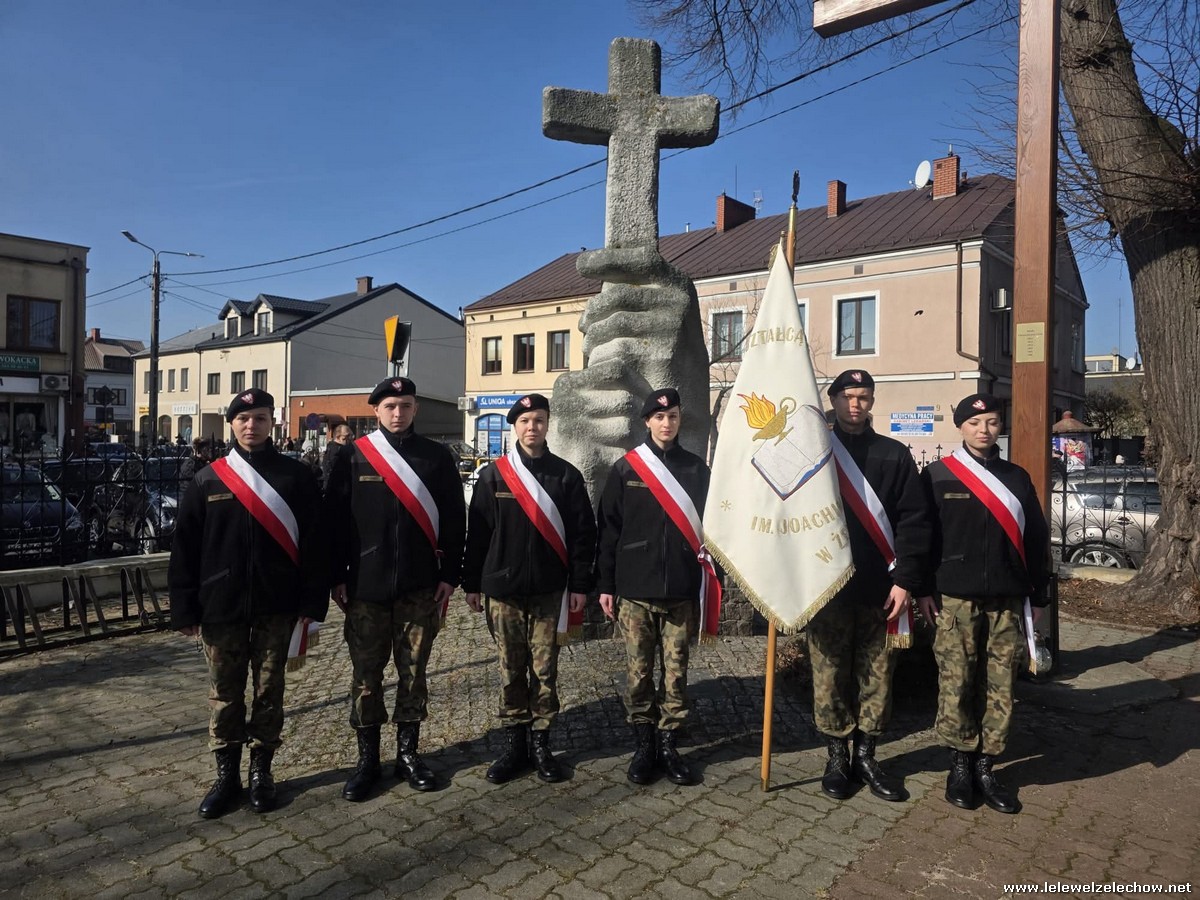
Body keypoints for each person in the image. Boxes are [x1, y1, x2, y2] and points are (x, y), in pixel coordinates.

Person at [168, 388, 328, 819]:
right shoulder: (208, 479)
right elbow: (185, 548)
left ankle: (262, 771)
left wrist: (313, 601)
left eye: (259, 417)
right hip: (221, 607)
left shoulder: (295, 477)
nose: (251, 425)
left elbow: (316, 545)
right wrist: (183, 607)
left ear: (270, 422)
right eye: (243, 418)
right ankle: (227, 776)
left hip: (279, 606)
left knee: (269, 692)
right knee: (225, 694)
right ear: (231, 423)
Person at [326, 378, 465, 802]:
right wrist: (336, 576)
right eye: (390, 405)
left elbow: (455, 519)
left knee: (414, 674)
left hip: (419, 588)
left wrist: (450, 575)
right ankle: (367, 761)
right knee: (366, 678)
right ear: (376, 410)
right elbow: (332, 521)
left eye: (405, 405)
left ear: (415, 409)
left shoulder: (437, 457)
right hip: (365, 588)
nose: (398, 412)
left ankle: (408, 754)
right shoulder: (353, 456)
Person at [918, 393, 1050, 815]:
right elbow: (921, 538)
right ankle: (960, 763)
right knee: (957, 681)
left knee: (1001, 685)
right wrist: (921, 588)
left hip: (1007, 598)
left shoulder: (1016, 477)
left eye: (991, 422)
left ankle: (987, 764)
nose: (983, 430)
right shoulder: (937, 475)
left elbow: (1036, 539)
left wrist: (1040, 594)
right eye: (975, 423)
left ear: (999, 427)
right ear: (960, 427)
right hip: (955, 598)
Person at [810, 369, 931, 803]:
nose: (855, 404)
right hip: (827, 590)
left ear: (873, 401)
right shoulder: (816, 452)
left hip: (882, 592)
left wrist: (906, 582)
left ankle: (866, 755)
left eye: (863, 396)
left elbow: (914, 522)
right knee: (829, 677)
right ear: (834, 400)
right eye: (847, 396)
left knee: (877, 679)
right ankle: (836, 758)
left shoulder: (893, 455)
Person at [462, 393, 596, 784]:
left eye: (538, 420)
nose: (531, 427)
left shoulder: (566, 476)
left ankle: (541, 745)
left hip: (549, 591)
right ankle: (514, 745)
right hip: (502, 592)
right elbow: (479, 534)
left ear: (547, 424)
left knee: (545, 670)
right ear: (514, 427)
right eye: (524, 421)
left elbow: (583, 536)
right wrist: (470, 583)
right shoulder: (493, 476)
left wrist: (581, 586)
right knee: (509, 670)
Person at [596, 388, 716, 786]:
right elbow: (608, 531)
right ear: (647, 422)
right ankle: (644, 744)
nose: (667, 424)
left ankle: (669, 744)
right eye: (660, 418)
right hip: (635, 591)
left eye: (674, 417)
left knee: (677, 673)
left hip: (681, 589)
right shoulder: (626, 469)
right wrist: (606, 585)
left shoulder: (697, 470)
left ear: (680, 420)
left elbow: (713, 528)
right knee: (639, 672)